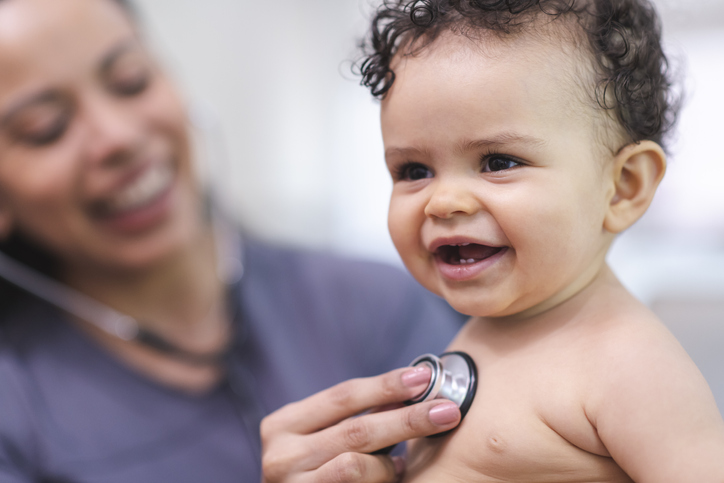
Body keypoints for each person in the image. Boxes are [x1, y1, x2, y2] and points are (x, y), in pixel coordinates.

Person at [0, 0, 467, 481]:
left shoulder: (375, 304)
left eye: (130, 81)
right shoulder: (13, 411)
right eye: (44, 130)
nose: (116, 137)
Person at [261, 0, 724, 481]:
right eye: (413, 171)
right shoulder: (482, 333)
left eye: (498, 162)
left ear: (623, 186)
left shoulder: (630, 366)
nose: (443, 202)